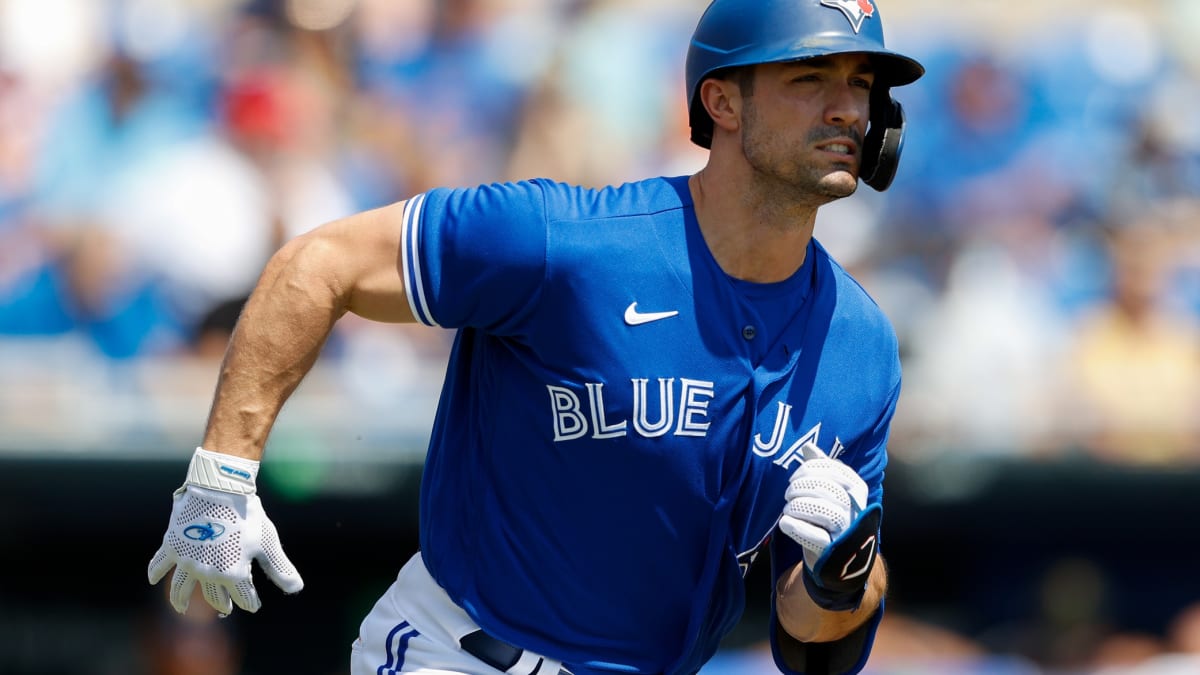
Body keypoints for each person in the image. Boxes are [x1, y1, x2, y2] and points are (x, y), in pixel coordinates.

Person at [146, 1, 924, 674]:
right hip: (462, 651)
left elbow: (813, 645)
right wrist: (223, 473)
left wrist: (841, 576)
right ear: (721, 102)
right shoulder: (568, 241)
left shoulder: (859, 346)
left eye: (860, 83)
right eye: (809, 78)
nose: (846, 109)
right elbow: (317, 265)